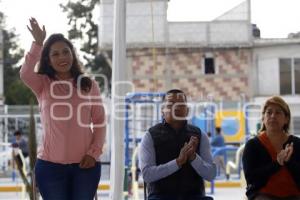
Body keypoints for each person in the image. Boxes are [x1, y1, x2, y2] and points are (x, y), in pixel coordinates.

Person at [20, 18, 106, 200]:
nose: (62, 57)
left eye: (66, 52)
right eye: (55, 54)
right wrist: (37, 43)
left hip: (86, 165)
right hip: (50, 168)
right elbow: (25, 73)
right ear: (48, 60)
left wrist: (93, 153)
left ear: (72, 55)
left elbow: (99, 122)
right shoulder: (43, 83)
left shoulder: (88, 84)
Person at [138, 89, 216, 200]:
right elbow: (147, 175)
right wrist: (177, 162)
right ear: (162, 110)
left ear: (187, 110)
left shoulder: (199, 135)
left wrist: (194, 158)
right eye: (170, 104)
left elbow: (211, 174)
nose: (176, 107)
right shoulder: (150, 136)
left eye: (180, 104)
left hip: (194, 197)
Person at [242, 96, 300, 200]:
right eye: (269, 112)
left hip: (294, 194)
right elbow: (251, 178)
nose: (273, 116)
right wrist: (277, 164)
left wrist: (289, 161)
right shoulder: (253, 145)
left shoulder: (297, 144)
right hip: (263, 194)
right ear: (263, 118)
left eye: (278, 112)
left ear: (286, 119)